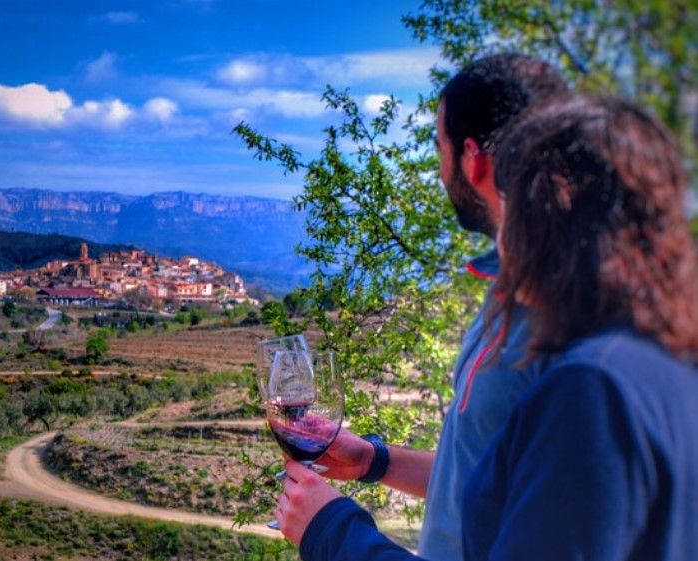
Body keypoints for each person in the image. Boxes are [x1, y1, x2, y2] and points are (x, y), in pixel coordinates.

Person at [276, 98, 698, 561]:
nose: (502, 240)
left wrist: (331, 530)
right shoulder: (665, 363)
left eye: (510, 210)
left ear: (543, 219)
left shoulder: (594, 390)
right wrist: (374, 460)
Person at [272, 53, 571, 561]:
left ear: (473, 158)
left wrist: (332, 532)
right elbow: (492, 476)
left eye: (440, 148)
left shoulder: (568, 316)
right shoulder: (518, 286)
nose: (439, 169)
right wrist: (374, 460)